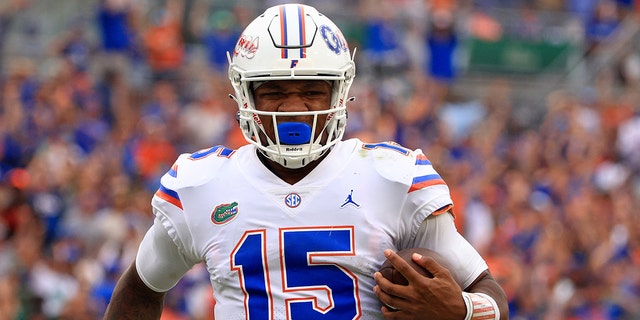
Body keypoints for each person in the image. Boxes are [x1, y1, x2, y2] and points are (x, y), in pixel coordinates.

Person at [104, 3, 508, 319]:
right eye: (273, 91)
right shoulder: (202, 185)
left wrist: (463, 309)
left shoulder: (393, 178)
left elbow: (490, 294)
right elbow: (142, 287)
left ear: (339, 94)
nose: (294, 107)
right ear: (245, 95)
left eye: (312, 91)